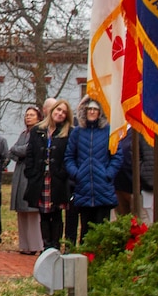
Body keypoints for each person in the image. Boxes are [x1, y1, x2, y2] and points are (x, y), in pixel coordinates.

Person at [66, 99, 122, 242]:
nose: (91, 112)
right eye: (89, 109)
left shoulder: (108, 132)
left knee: (102, 230)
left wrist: (108, 174)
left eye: (95, 109)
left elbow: (117, 156)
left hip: (102, 188)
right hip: (83, 188)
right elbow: (69, 157)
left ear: (100, 112)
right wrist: (77, 174)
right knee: (85, 230)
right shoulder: (77, 132)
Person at [25, 99, 73, 249]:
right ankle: (46, 246)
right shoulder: (38, 130)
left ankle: (55, 246)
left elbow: (70, 155)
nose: (60, 114)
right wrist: (31, 172)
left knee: (56, 213)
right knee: (43, 213)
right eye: (58, 110)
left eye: (64, 112)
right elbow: (30, 153)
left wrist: (62, 173)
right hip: (40, 178)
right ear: (52, 111)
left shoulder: (69, 132)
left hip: (57, 180)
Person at [9, 106, 43, 255]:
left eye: (31, 115)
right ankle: (24, 245)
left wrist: (19, 150)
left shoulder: (39, 133)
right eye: (27, 115)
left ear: (38, 117)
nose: (28, 117)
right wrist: (18, 151)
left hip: (30, 173)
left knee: (32, 210)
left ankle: (35, 245)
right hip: (19, 173)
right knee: (21, 210)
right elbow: (13, 152)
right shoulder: (23, 133)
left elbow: (26, 150)